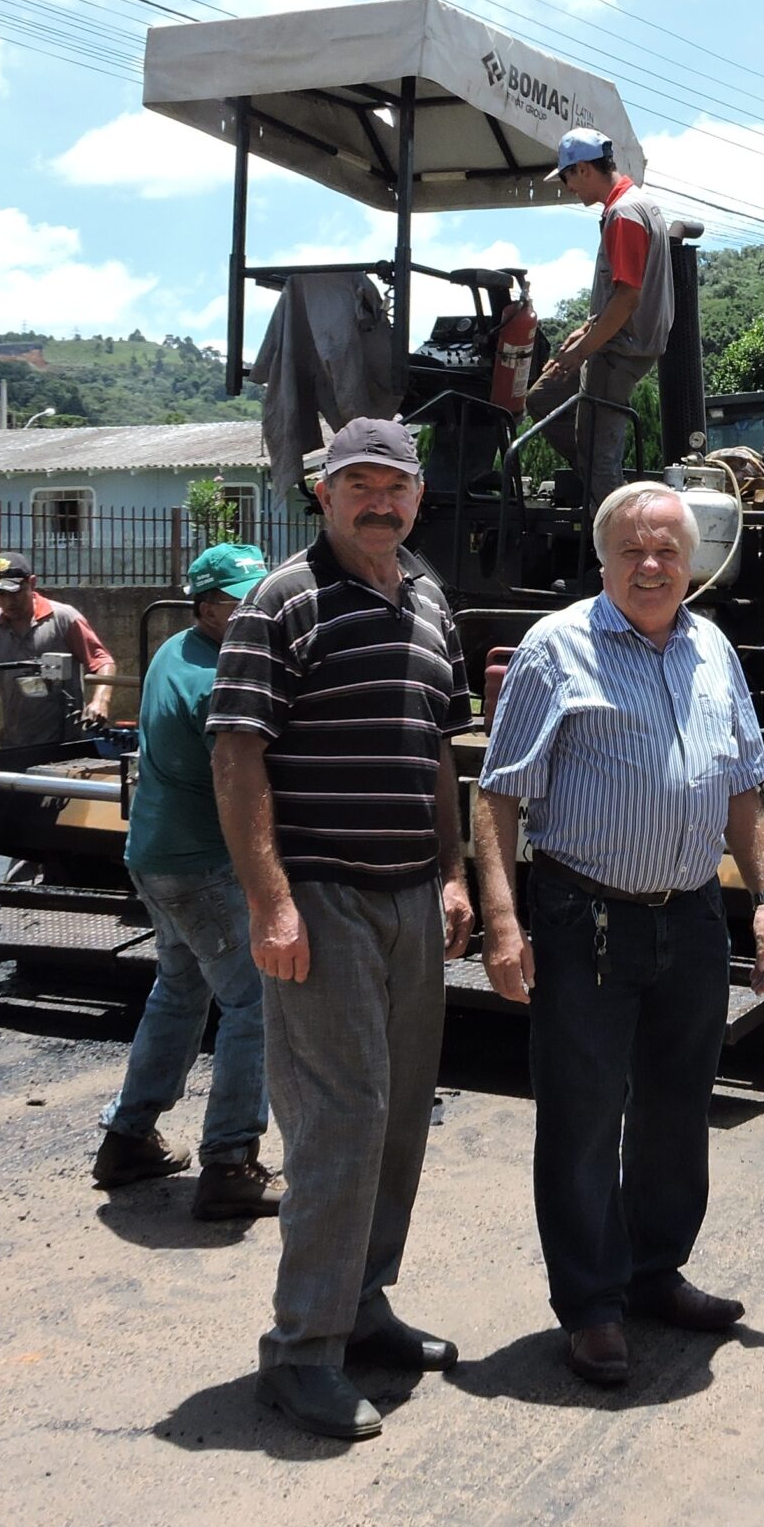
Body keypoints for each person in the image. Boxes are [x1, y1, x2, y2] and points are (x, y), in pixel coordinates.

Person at [470, 482, 764, 1388]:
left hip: (690, 913)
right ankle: (593, 1304)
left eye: (668, 552)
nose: (652, 566)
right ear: (602, 559)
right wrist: (503, 920)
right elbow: (497, 794)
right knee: (581, 1114)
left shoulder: (712, 645)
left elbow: (741, 786)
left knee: (678, 1109)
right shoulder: (554, 648)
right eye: (633, 551)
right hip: (585, 915)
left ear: (693, 561)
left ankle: (655, 1271)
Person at [208, 416, 476, 1443]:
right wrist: (269, 900)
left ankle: (362, 1307)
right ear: (322, 495)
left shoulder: (427, 598)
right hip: (320, 899)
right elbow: (238, 756)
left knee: (402, 1113)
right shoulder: (282, 601)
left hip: (412, 897)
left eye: (394, 485)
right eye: (357, 483)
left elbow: (435, 755)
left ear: (416, 497)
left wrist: (451, 876)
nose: (379, 500)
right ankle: (302, 1351)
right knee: (341, 1122)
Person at [91, 541, 283, 1221]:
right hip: (203, 865)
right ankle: (230, 1161)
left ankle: (128, 1136)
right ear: (208, 606)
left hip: (155, 856)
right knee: (256, 1002)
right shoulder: (218, 675)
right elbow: (241, 778)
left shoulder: (177, 648)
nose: (262, 607)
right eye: (245, 599)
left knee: (178, 990)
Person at [528, 127, 674, 515]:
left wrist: (584, 350)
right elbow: (621, 292)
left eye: (566, 178)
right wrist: (586, 329)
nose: (567, 188)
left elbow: (628, 297)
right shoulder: (637, 204)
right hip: (616, 340)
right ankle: (597, 485)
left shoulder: (624, 214)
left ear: (582, 170)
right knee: (542, 399)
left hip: (619, 349)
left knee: (600, 460)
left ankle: (620, 536)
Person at [0, 550, 117, 757]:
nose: (9, 602)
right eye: (1, 595)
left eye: (15, 592)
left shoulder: (63, 619)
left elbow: (102, 661)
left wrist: (101, 699)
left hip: (67, 745)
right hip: (14, 746)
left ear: (32, 583)